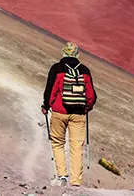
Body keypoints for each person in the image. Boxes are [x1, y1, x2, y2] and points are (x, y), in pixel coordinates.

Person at [41, 41, 97, 187]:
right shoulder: (85, 71)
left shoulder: (57, 68)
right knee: (77, 146)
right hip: (78, 114)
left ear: (63, 52)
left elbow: (50, 91)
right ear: (77, 54)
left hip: (59, 112)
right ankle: (76, 181)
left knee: (58, 143)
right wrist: (85, 108)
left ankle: (62, 176)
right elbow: (91, 96)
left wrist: (46, 106)